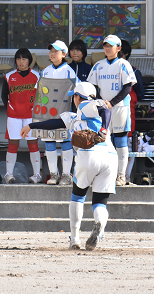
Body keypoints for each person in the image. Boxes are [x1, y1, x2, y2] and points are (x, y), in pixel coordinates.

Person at [21, 81, 116, 250]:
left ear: (79, 97)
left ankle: (75, 238)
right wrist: (33, 125)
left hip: (88, 155)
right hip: (109, 157)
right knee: (100, 202)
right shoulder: (74, 117)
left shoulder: (86, 105)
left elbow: (105, 108)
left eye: (75, 97)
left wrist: (103, 130)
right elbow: (55, 123)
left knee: (78, 196)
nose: (74, 100)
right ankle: (100, 224)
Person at [87, 35, 137, 186]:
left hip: (120, 107)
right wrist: (99, 102)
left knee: (121, 141)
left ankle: (122, 176)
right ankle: (102, 174)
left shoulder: (124, 64)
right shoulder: (98, 65)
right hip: (103, 109)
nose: (108, 48)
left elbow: (128, 87)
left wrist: (112, 102)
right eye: (105, 45)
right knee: (102, 141)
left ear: (119, 48)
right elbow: (92, 87)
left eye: (111, 45)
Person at [39, 40, 78, 185]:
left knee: (65, 142)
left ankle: (66, 175)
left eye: (56, 51)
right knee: (49, 142)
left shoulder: (69, 71)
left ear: (64, 54)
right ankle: (53, 174)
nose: (52, 54)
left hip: (64, 113)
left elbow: (76, 92)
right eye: (51, 51)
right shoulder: (45, 71)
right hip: (48, 113)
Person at [1, 48, 42, 184]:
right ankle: (9, 174)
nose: (21, 61)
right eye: (18, 59)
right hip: (14, 115)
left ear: (29, 60)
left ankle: (37, 174)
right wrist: (10, 108)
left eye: (24, 58)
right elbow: (3, 95)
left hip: (31, 116)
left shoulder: (37, 76)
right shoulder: (9, 76)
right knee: (13, 144)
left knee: (32, 143)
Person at [120, 39, 145, 184]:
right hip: (110, 111)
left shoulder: (134, 71)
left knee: (129, 142)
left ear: (126, 54)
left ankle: (126, 175)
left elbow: (140, 93)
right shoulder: (102, 68)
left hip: (129, 111)